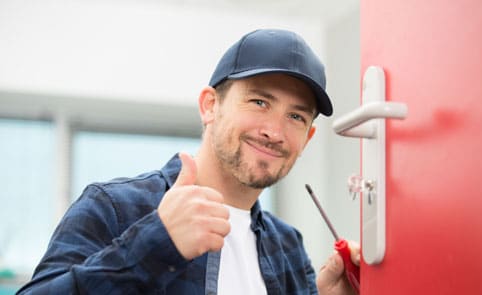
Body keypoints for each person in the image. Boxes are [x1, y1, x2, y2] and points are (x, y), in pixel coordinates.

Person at [17, 28, 360, 295]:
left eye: (296, 117)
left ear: (308, 139)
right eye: (259, 102)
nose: (274, 131)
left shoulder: (288, 244)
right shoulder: (113, 207)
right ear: (210, 105)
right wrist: (154, 244)